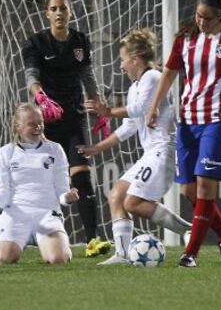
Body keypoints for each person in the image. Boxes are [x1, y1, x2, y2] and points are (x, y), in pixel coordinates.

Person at [147, 0, 221, 267]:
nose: (202, 22)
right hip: (188, 122)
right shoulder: (184, 38)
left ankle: (190, 254)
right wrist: (154, 105)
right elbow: (170, 72)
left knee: (206, 187)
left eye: (208, 18)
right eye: (199, 16)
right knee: (189, 191)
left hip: (218, 121)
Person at [77, 28, 192, 265]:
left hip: (163, 150)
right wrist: (98, 147)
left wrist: (107, 111)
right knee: (117, 196)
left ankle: (187, 231)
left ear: (135, 58)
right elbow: (130, 126)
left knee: (132, 202)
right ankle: (121, 255)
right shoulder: (134, 87)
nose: (121, 66)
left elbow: (140, 109)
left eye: (122, 60)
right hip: (150, 153)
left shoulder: (153, 78)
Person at [21, 0, 111, 257]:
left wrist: (99, 108)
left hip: (74, 119)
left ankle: (92, 240)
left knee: (82, 177)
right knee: (39, 181)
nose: (59, 12)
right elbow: (31, 78)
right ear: (46, 14)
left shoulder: (80, 40)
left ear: (70, 11)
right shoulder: (36, 43)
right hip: (45, 122)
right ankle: (24, 232)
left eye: (63, 8)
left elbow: (87, 75)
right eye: (54, 9)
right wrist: (41, 99)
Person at [0, 103, 79, 265]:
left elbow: (62, 193)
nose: (38, 127)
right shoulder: (5, 153)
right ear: (18, 127)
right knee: (3, 259)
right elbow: (3, 200)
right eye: (32, 124)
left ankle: (61, 248)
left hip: (47, 214)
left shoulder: (55, 150)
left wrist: (67, 198)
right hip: (16, 216)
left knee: (58, 259)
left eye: (40, 122)